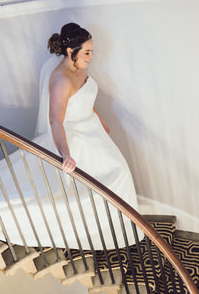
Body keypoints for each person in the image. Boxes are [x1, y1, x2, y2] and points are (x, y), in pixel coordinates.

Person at [32, 22, 138, 208]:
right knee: (108, 180)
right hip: (78, 138)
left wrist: (101, 120)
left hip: (94, 130)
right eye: (87, 52)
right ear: (71, 50)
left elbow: (83, 98)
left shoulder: (78, 68)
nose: (91, 56)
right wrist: (66, 155)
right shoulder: (61, 81)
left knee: (120, 173)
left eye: (91, 51)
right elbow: (55, 120)